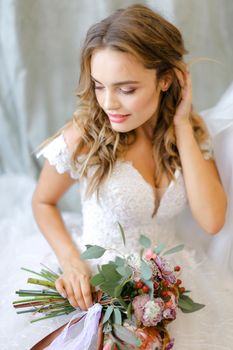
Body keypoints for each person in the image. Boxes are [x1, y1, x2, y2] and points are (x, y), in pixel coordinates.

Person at [2, 4, 233, 349]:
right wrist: (71, 262)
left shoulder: (188, 133)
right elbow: (43, 200)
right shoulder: (86, 135)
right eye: (99, 86)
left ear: (166, 79)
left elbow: (212, 220)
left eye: (126, 89)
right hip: (96, 274)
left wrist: (182, 122)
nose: (109, 103)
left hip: (167, 286)